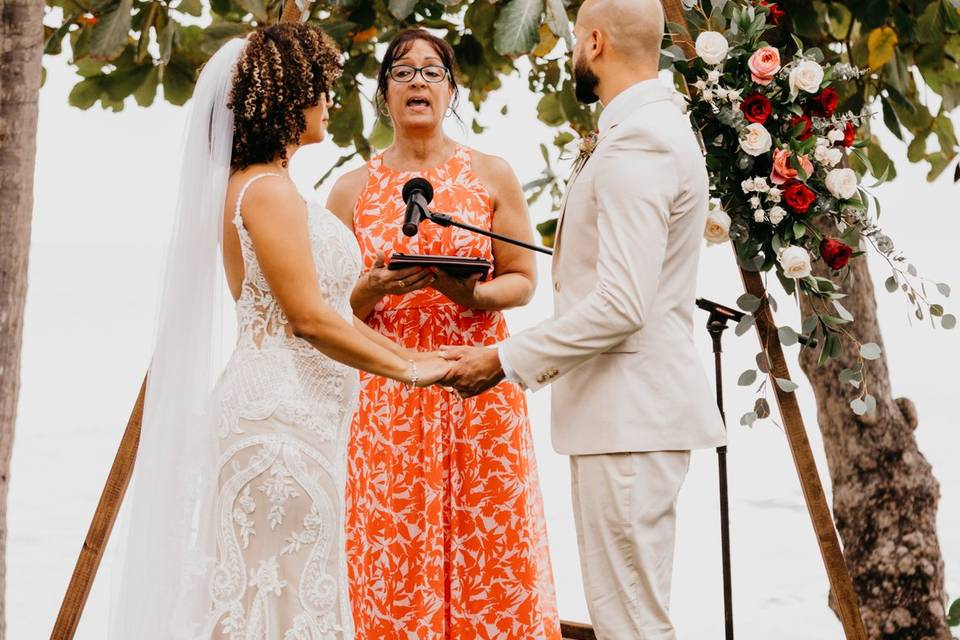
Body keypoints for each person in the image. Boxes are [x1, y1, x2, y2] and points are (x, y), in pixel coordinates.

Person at [109, 24, 450, 640]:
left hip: (302, 417)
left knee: (283, 595)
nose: (331, 102)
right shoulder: (266, 192)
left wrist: (423, 354)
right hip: (277, 427)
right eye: (322, 89)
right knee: (275, 599)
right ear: (291, 97)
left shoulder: (266, 187)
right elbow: (308, 318)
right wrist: (412, 371)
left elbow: (330, 311)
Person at [440, 0, 728, 637]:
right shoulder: (652, 128)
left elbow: (623, 303)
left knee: (631, 624)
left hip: (628, 421)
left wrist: (503, 360)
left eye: (575, 40)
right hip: (625, 419)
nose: (574, 51)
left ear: (594, 41)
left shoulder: (641, 141)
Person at [326, 28, 561, 640]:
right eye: (402, 72)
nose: (418, 82)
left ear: (452, 90)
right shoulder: (350, 190)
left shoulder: (491, 173)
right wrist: (375, 288)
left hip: (478, 384)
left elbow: (524, 279)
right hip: (387, 393)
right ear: (383, 96)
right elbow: (324, 305)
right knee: (392, 549)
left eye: (432, 72)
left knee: (492, 542)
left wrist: (474, 294)